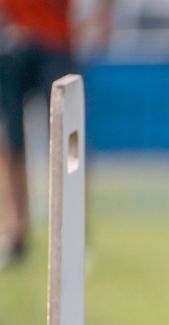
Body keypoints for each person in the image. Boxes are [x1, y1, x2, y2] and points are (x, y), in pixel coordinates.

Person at [0, 0, 112, 267]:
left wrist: (102, 18)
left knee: (69, 144)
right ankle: (15, 234)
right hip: (13, 39)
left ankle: (74, 237)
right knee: (9, 140)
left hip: (57, 40)